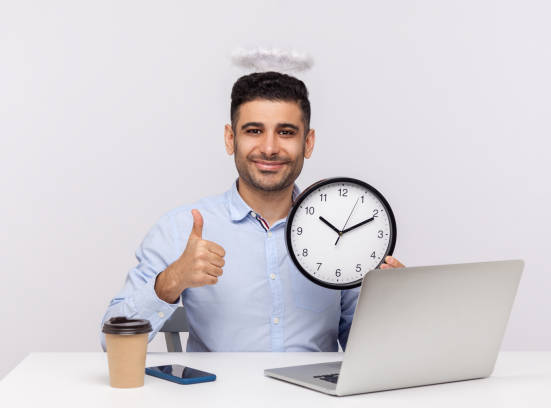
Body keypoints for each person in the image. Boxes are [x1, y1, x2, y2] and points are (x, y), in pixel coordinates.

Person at [100, 71, 405, 352]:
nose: (270, 148)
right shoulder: (181, 228)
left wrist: (392, 306)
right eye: (254, 130)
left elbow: (366, 349)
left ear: (307, 143)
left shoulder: (343, 233)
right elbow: (109, 339)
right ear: (231, 139)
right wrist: (171, 281)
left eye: (286, 132)